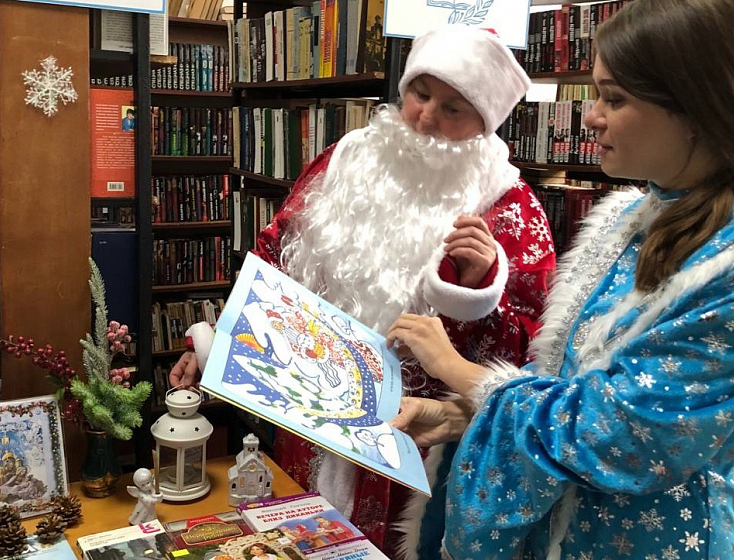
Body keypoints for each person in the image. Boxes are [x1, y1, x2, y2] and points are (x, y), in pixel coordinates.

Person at [386, 0, 734, 558]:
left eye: (615, 98)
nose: (591, 117)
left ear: (698, 105)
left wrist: (457, 372)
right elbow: (572, 383)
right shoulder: (636, 215)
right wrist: (460, 415)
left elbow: (627, 435)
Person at [170, 26, 555, 557]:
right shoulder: (346, 159)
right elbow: (273, 257)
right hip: (309, 412)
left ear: (485, 120)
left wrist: (479, 285)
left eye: (452, 109)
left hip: (414, 440)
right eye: (420, 94)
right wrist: (218, 341)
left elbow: (528, 356)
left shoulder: (509, 206)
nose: (425, 118)